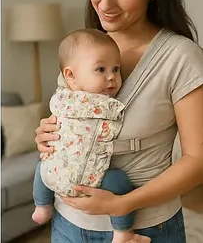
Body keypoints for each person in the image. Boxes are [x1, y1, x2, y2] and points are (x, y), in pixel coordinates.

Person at [35, 0, 203, 241]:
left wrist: (123, 204)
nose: (105, 4)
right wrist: (47, 136)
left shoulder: (182, 58)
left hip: (145, 226)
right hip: (67, 223)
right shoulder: (83, 49)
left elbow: (201, 163)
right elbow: (69, 118)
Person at [33, 29, 147, 243]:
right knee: (120, 181)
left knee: (41, 167)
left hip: (58, 172)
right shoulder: (106, 106)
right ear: (71, 76)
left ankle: (41, 205)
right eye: (100, 69)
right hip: (92, 177)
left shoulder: (61, 99)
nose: (112, 76)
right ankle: (122, 231)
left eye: (116, 69)